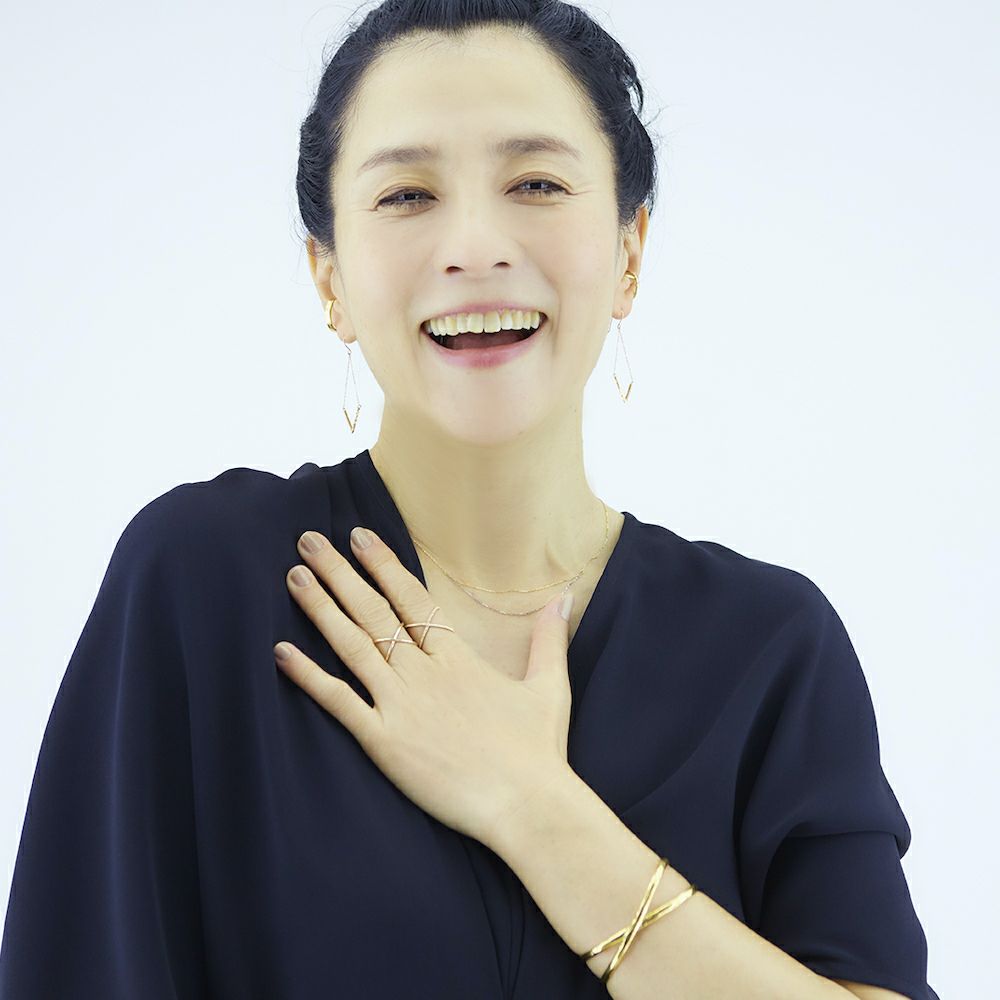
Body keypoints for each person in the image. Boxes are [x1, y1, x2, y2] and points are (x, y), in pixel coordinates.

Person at [0, 2, 939, 998]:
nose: (476, 245)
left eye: (535, 183)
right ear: (329, 277)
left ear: (629, 251)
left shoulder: (769, 644)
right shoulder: (206, 583)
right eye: (407, 195)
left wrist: (531, 805)